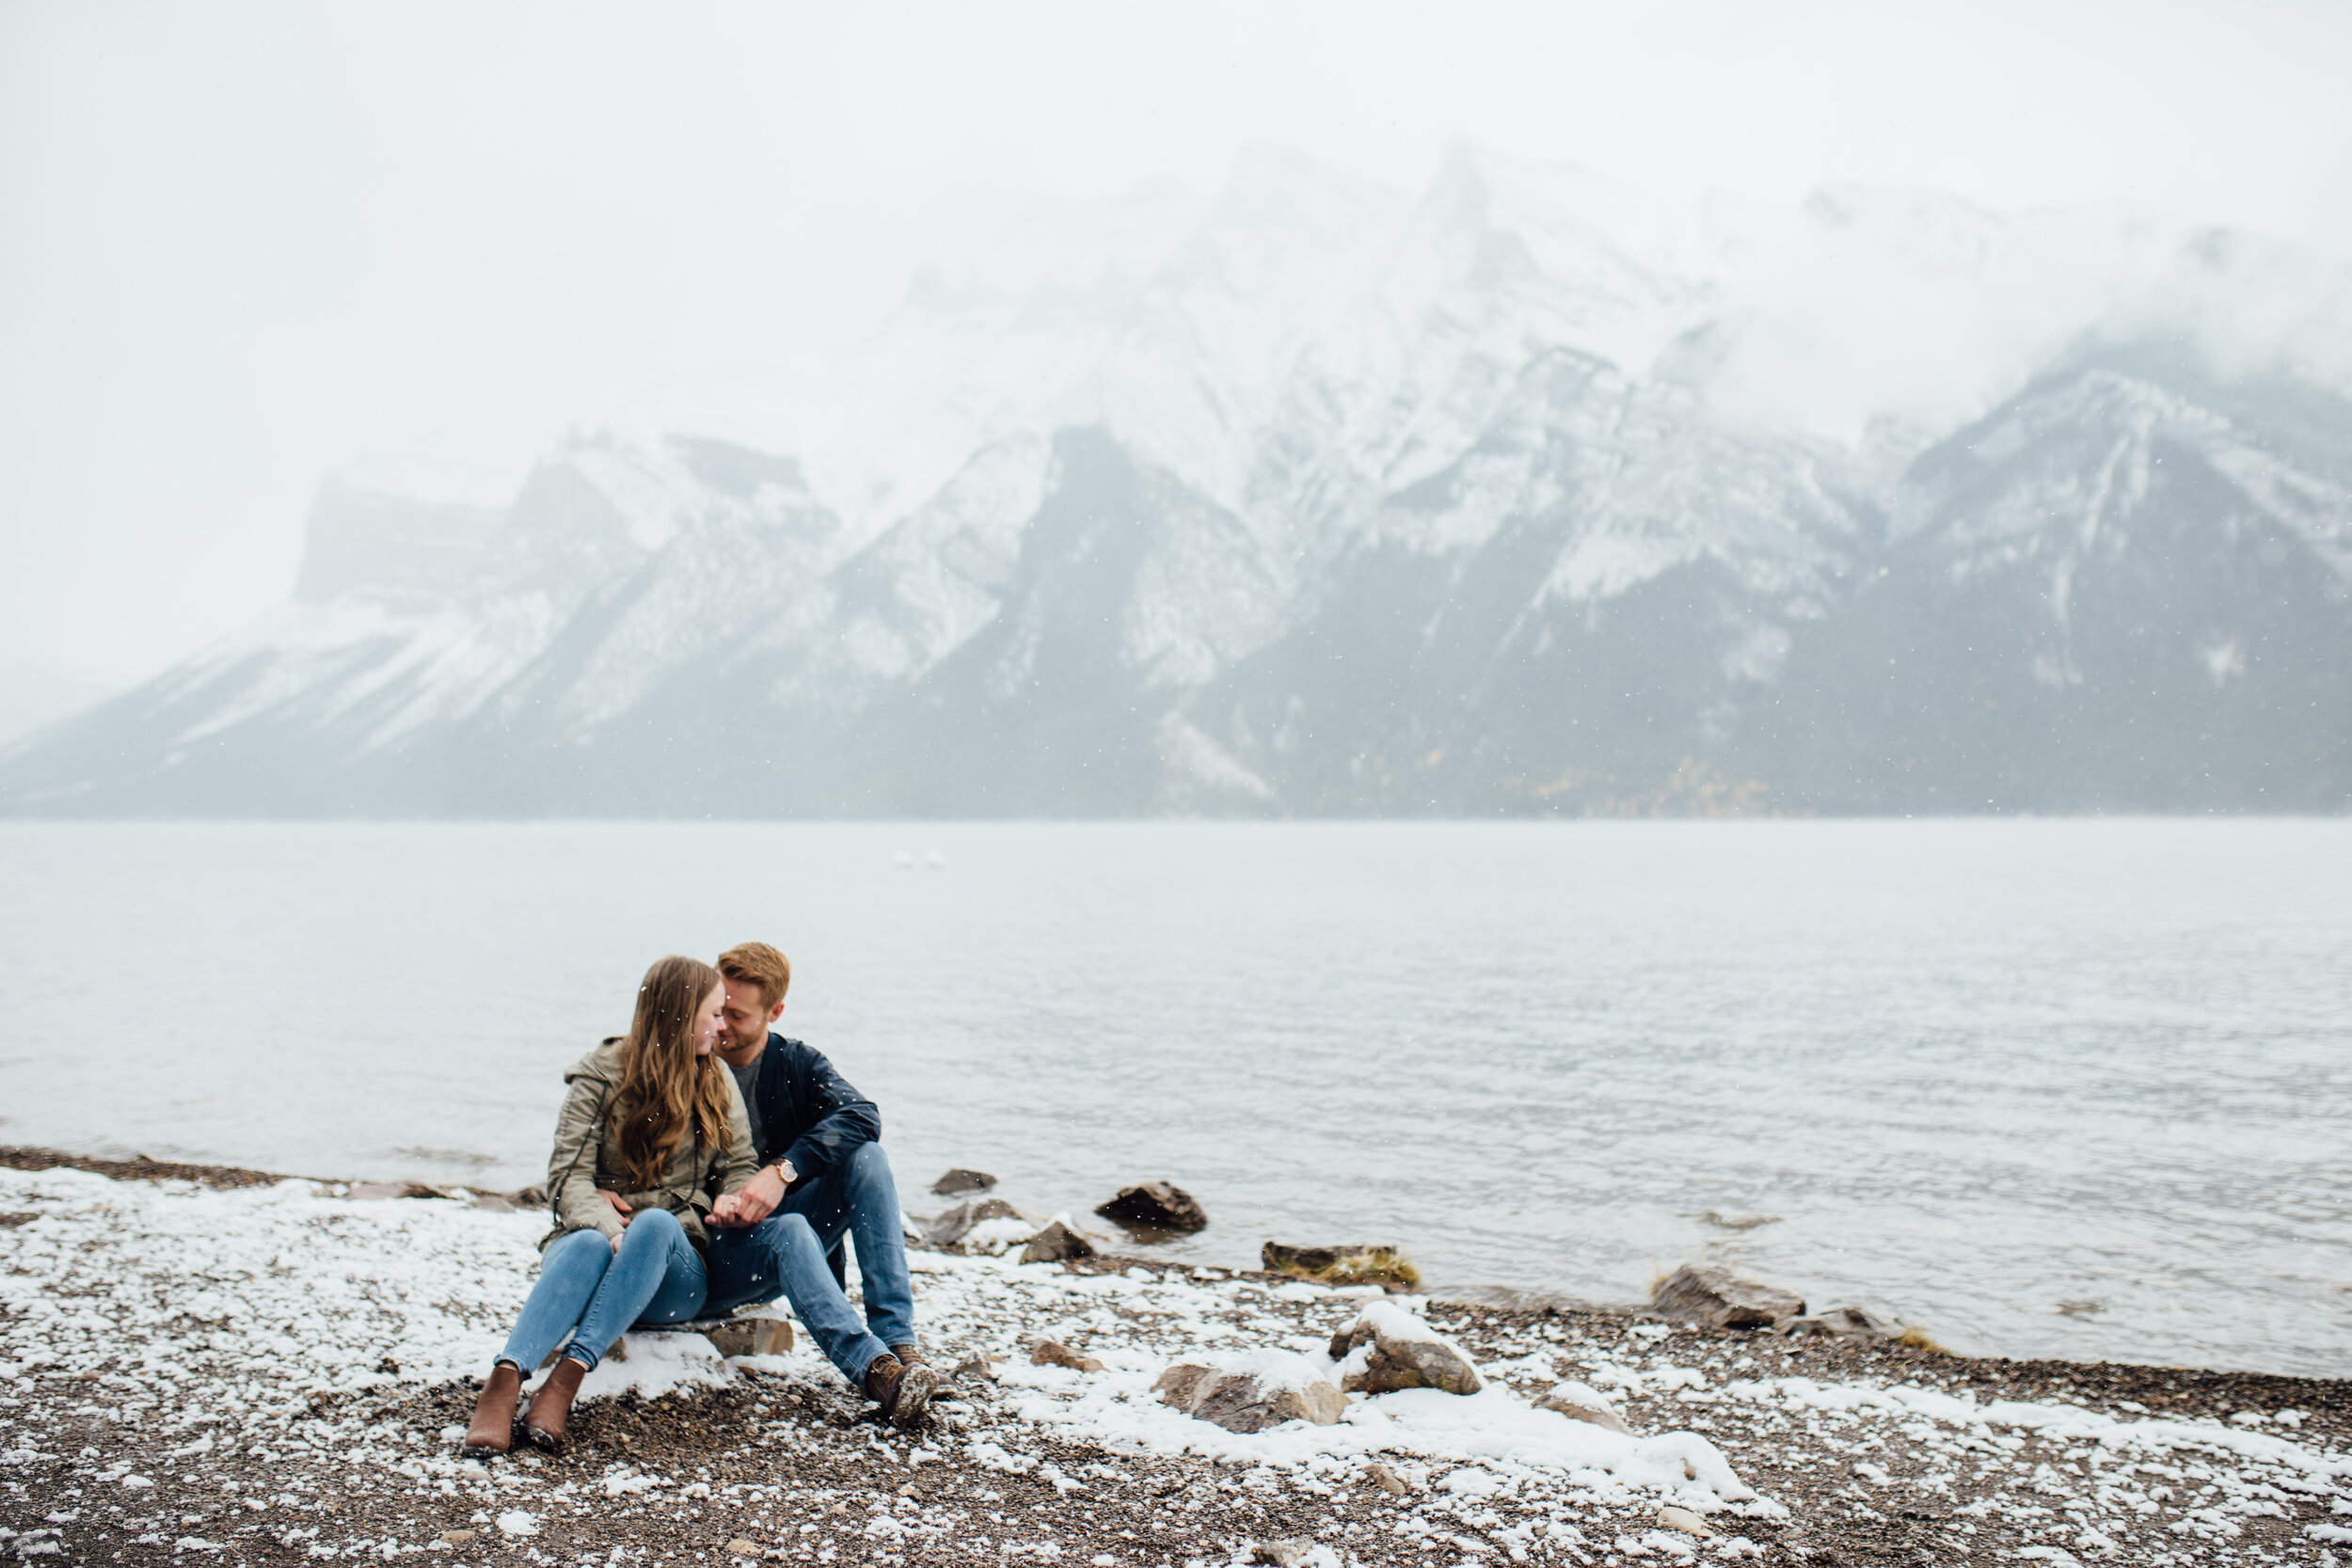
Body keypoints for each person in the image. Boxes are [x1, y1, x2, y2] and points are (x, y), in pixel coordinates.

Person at [463, 955, 755, 1456]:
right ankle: (505, 1380)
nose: (722, 1025)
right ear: (681, 1017)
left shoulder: (716, 1078)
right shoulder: (600, 1072)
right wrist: (608, 1226)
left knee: (657, 1224)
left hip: (673, 1272)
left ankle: (567, 1378)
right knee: (585, 1244)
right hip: (597, 1255)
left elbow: (740, 1163)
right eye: (713, 1013)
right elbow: (566, 1176)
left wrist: (731, 1198)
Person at [698, 941, 938, 1428]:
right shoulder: (691, 1059)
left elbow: (862, 1116)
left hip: (787, 1227)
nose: (721, 1025)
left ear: (775, 1011)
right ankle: (874, 1370)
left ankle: (898, 1348)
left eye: (737, 1016)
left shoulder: (796, 1065)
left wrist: (783, 1171)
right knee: (788, 1227)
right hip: (711, 1243)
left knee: (867, 1159)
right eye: (716, 1010)